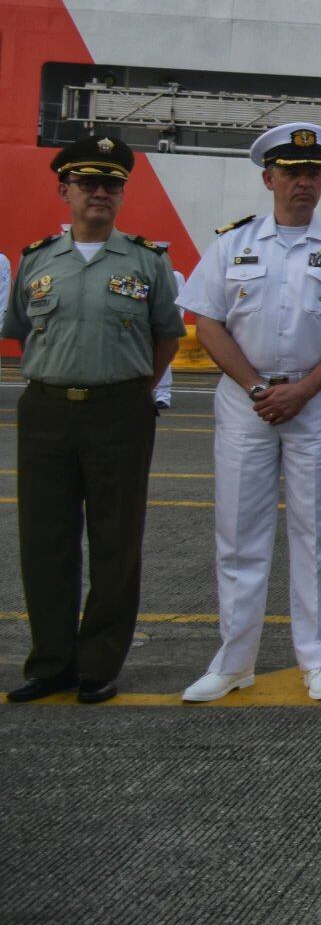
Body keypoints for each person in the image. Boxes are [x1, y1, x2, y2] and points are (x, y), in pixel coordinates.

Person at [176, 123, 321, 705]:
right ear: (269, 179)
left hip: (318, 400)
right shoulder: (232, 244)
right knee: (239, 533)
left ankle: (320, 660)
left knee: (318, 533)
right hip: (247, 401)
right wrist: (258, 386)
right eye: (291, 172)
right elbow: (207, 321)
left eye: (312, 173)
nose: (302, 182)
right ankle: (234, 661)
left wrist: (303, 390)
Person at [3, 136, 183, 705]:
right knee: (45, 540)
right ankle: (51, 662)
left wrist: (133, 389)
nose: (100, 193)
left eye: (111, 184)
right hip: (46, 411)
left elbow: (167, 336)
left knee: (116, 541)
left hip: (119, 412)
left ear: (122, 194)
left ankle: (98, 664)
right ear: (65, 191)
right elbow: (22, 330)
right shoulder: (37, 260)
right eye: (87, 183)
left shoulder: (148, 261)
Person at [152, 269, 183, 411]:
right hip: (143, 321)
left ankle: (163, 396)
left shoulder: (175, 276)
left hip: (164, 320)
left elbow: (179, 301)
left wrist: (175, 323)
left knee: (162, 355)